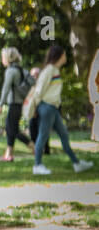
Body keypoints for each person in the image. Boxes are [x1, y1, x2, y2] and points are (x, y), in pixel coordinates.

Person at [28, 44, 93, 175]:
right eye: (64, 54)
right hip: (46, 107)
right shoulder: (49, 70)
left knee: (63, 135)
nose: (65, 57)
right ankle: (37, 165)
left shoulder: (55, 70)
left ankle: (77, 163)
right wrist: (35, 107)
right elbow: (39, 91)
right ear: (58, 56)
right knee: (43, 136)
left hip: (53, 108)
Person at [0, 47, 34, 161]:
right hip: (20, 103)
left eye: (3, 57)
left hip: (14, 103)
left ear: (8, 58)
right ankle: (9, 154)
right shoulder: (21, 69)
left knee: (12, 130)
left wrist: (0, 104)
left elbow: (6, 88)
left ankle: (33, 146)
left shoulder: (10, 71)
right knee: (11, 128)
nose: (2, 59)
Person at [27, 66, 49, 155]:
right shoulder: (29, 86)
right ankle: (35, 150)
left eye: (37, 74)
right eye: (33, 75)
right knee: (33, 132)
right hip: (32, 113)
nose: (35, 76)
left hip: (42, 112)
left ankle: (46, 150)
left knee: (43, 132)